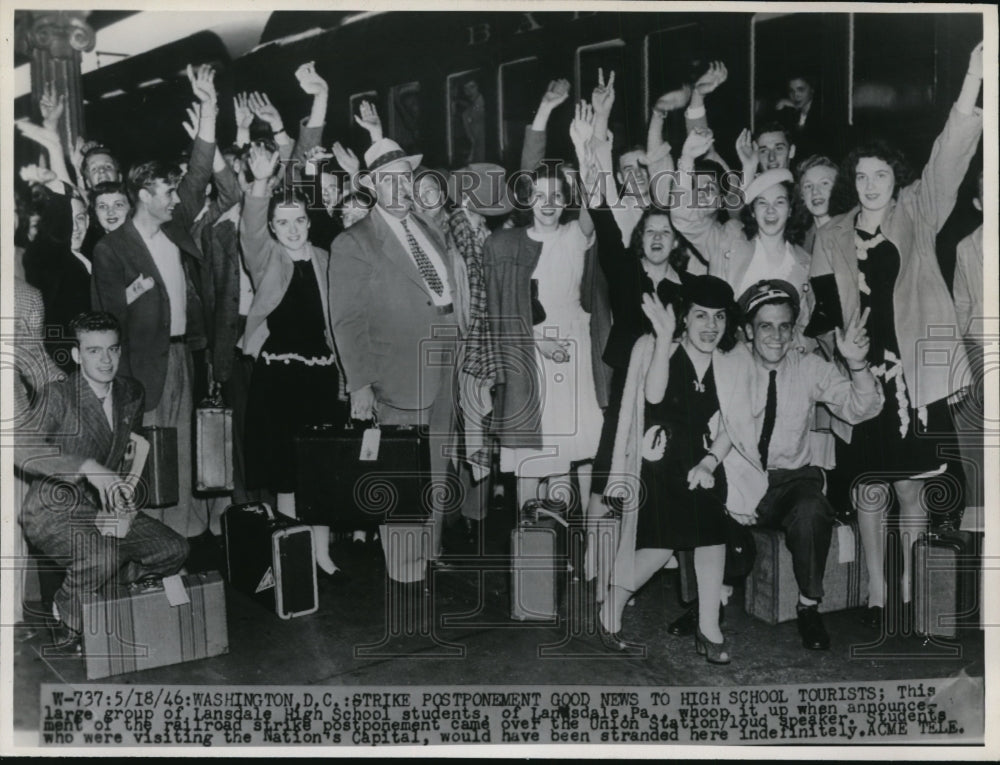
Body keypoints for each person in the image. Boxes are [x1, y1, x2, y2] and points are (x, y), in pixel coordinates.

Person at [810, 42, 984, 630]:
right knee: (867, 490)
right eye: (861, 176)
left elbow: (951, 157)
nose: (870, 184)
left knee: (910, 489)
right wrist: (841, 351)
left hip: (912, 372)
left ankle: (909, 580)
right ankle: (878, 590)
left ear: (896, 179)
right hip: (859, 376)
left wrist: (970, 84)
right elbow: (821, 310)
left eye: (880, 174)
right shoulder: (830, 234)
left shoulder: (918, 210)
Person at [90, 64, 220, 540]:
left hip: (184, 354)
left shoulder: (174, 225)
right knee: (147, 455)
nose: (174, 199)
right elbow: (105, 322)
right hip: (143, 367)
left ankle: (182, 537)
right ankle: (151, 537)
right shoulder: (112, 249)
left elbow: (201, 171)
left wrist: (209, 107)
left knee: (181, 448)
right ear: (144, 194)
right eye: (166, 192)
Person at [17, 312, 189, 655]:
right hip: (53, 510)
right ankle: (66, 612)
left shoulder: (130, 392)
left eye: (112, 350)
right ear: (78, 355)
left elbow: (131, 447)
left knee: (174, 549)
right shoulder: (58, 395)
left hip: (105, 508)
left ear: (121, 351)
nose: (106, 360)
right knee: (100, 556)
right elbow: (21, 450)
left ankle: (108, 591)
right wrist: (86, 466)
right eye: (94, 351)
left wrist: (127, 503)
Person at [727, 281, 882, 649]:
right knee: (695, 494)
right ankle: (704, 602)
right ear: (748, 330)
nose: (777, 336)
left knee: (813, 508)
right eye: (766, 326)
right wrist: (735, 495)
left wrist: (857, 364)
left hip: (789, 481)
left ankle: (809, 606)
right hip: (737, 476)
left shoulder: (809, 367)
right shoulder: (730, 365)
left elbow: (863, 408)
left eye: (785, 326)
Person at [328, 137, 461, 560]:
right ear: (371, 185)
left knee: (437, 467)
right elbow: (347, 321)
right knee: (402, 474)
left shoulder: (426, 227)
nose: (400, 187)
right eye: (388, 180)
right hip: (398, 375)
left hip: (445, 361)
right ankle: (406, 572)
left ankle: (432, 553)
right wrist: (360, 385)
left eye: (405, 178)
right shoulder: (354, 241)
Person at [601, 275, 739, 662]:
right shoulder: (659, 348)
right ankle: (609, 611)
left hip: (704, 458)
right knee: (660, 548)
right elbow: (654, 396)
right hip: (658, 458)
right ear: (684, 318)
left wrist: (711, 461)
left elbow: (735, 423)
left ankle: (709, 629)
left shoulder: (730, 362)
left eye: (719, 317)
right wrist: (663, 340)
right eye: (700, 316)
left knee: (712, 533)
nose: (710, 326)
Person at [486, 103, 604, 519]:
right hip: (529, 356)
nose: (549, 203)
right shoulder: (505, 244)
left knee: (567, 454)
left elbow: (595, 200)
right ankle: (528, 538)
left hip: (572, 353)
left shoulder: (575, 236)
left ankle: (560, 535)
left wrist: (583, 146)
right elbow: (499, 316)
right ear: (527, 199)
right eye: (540, 196)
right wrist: (538, 341)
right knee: (532, 455)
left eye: (557, 196)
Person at [240, 144, 347, 581]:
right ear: (272, 227)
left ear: (309, 221)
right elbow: (249, 231)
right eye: (281, 222)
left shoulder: (324, 259)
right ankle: (294, 555)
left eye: (299, 220)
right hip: (279, 377)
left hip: (321, 377)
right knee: (285, 471)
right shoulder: (267, 259)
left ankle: (321, 551)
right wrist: (261, 182)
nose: (292, 229)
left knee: (318, 470)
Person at [673, 129, 813, 336]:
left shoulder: (806, 263)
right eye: (762, 203)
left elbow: (805, 327)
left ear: (791, 210)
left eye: (780, 202)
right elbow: (683, 217)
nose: (771, 210)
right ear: (753, 211)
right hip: (730, 357)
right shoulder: (728, 238)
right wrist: (686, 160)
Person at [23, 188, 92, 373]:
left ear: (88, 220)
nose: (74, 227)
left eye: (79, 218)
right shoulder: (46, 267)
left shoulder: (93, 259)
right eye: (67, 219)